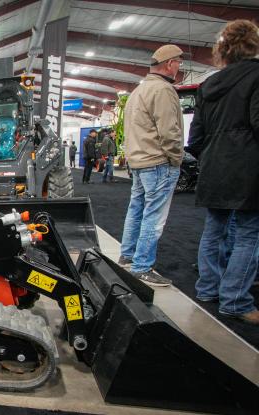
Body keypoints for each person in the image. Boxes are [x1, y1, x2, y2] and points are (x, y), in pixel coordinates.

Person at [186, 20, 259, 325]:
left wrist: (214, 156)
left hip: (214, 165)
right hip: (247, 167)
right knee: (248, 234)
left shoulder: (208, 85)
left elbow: (196, 138)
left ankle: (207, 288)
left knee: (214, 230)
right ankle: (235, 300)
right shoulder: (256, 76)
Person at [118, 44, 185, 286]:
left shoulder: (138, 91)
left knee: (136, 209)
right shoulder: (163, 90)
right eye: (178, 62)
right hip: (158, 162)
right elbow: (169, 132)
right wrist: (176, 157)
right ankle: (142, 266)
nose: (180, 67)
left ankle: (127, 256)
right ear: (169, 64)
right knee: (153, 216)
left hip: (139, 161)